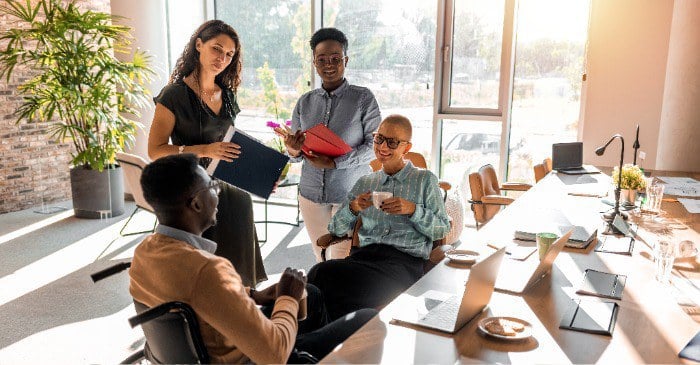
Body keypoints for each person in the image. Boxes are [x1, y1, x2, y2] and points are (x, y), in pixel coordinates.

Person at [129, 154, 377, 364]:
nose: (218, 193)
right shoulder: (208, 269)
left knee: (310, 292)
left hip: (208, 346)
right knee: (368, 320)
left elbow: (192, 292)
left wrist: (253, 295)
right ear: (195, 203)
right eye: (212, 187)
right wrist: (288, 298)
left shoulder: (145, 251)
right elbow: (274, 354)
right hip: (256, 358)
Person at [147, 20, 265, 286]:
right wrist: (204, 150)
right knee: (199, 275)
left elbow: (230, 145)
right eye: (216, 49)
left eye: (229, 54)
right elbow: (155, 151)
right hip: (191, 191)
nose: (222, 58)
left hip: (228, 188)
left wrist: (262, 172)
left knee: (238, 270)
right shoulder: (173, 95)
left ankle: (242, 307)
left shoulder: (228, 95)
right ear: (198, 45)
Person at [308, 115, 450, 320]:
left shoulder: (424, 180)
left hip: (402, 265)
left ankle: (328, 336)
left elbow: (442, 229)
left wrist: (413, 210)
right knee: (319, 273)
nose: (383, 146)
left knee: (336, 287)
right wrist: (354, 207)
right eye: (379, 139)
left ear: (406, 148)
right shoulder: (365, 182)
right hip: (362, 258)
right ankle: (322, 337)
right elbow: (335, 229)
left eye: (392, 142)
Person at [279, 27, 381, 262]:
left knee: (342, 259)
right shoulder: (305, 102)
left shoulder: (363, 99)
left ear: (346, 60)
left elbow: (374, 147)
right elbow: (295, 155)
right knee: (321, 256)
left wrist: (336, 162)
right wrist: (293, 149)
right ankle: (323, 299)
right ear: (314, 62)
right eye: (322, 59)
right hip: (311, 194)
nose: (329, 64)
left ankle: (340, 299)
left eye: (336, 58)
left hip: (350, 194)